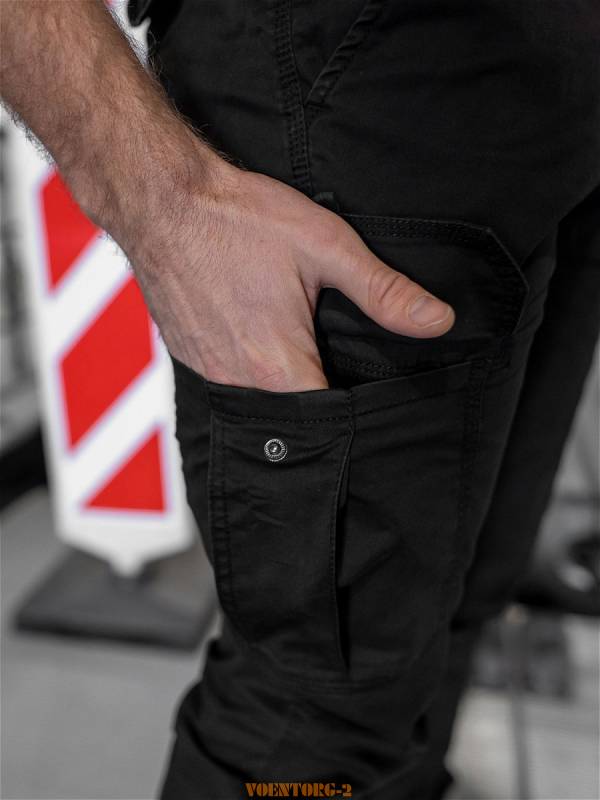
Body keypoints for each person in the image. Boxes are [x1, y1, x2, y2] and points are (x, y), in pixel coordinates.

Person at [1, 1, 598, 798]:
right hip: (347, 93)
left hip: (553, 84)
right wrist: (162, 205)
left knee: (457, 607)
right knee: (318, 704)